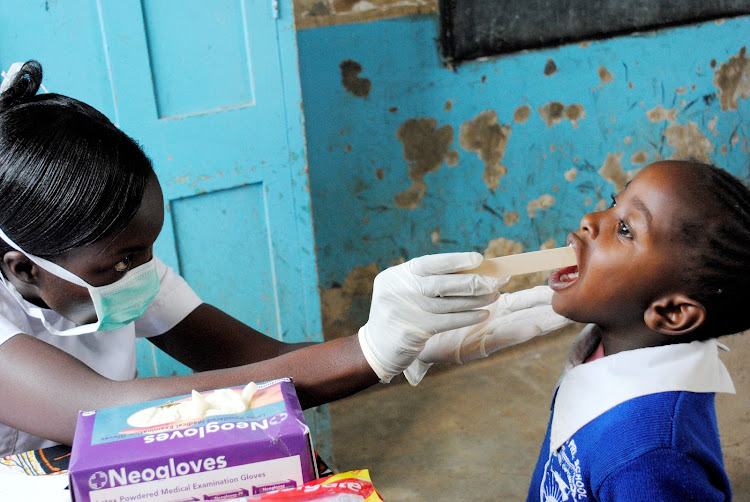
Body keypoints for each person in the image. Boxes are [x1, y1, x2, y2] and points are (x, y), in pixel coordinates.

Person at [0, 60, 566, 456]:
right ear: (24, 268)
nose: (144, 271)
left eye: (149, 247)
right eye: (121, 261)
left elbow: (263, 361)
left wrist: (417, 344)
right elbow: (101, 412)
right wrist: (368, 350)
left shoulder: (123, 271)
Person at [525, 160, 749, 501]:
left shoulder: (648, 461)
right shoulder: (604, 349)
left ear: (672, 312)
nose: (590, 220)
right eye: (615, 202)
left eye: (625, 229)